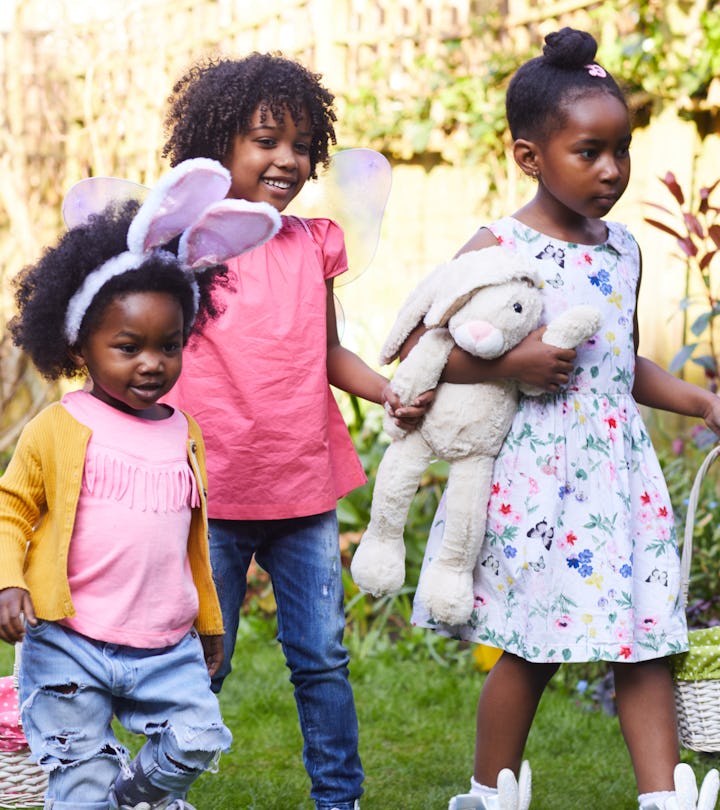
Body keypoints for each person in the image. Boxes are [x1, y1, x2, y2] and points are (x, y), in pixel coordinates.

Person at [407, 27, 720, 810]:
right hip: (534, 481)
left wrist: (703, 401)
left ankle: (663, 798)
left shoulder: (624, 250)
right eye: (590, 151)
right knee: (529, 645)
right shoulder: (499, 247)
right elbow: (418, 350)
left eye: (622, 150)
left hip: (618, 480)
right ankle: (488, 793)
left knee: (647, 641)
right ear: (529, 156)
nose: (611, 170)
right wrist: (508, 364)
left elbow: (624, 366)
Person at [161, 53, 432, 810]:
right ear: (218, 145)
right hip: (208, 494)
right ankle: (161, 789)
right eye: (266, 140)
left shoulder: (314, 243)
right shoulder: (184, 248)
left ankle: (338, 799)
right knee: (201, 661)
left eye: (303, 143)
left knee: (321, 658)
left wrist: (390, 393)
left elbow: (330, 353)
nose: (289, 159)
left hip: (302, 488)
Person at [0, 157, 272, 810]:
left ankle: (133, 797)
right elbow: (10, 508)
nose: (152, 363)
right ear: (80, 343)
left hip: (164, 646)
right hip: (70, 645)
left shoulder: (184, 432)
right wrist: (9, 579)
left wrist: (209, 625)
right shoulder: (58, 428)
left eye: (169, 344)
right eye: (129, 346)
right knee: (77, 787)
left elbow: (190, 541)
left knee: (202, 736)